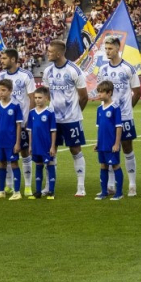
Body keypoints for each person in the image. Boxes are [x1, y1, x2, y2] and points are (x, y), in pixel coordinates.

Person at [42, 39, 89, 196]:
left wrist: (75, 112)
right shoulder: (48, 71)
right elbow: (46, 94)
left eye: (50, 51)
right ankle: (49, 186)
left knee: (75, 149)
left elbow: (84, 96)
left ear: (58, 53)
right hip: (53, 119)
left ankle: (81, 187)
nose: (47, 54)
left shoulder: (74, 70)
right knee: (51, 150)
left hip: (71, 119)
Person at [96, 36, 141, 197]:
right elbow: (101, 90)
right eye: (106, 49)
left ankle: (132, 185)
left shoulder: (128, 68)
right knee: (108, 149)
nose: (107, 51)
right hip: (107, 118)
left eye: (110, 48)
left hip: (125, 116)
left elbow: (137, 92)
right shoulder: (103, 70)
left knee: (127, 148)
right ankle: (110, 186)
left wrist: (127, 109)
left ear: (117, 48)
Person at [0, 48, 36, 196]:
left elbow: (32, 98)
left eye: (4, 58)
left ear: (13, 59)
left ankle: (27, 186)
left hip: (22, 122)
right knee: (6, 154)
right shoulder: (0, 75)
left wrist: (28, 120)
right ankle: (8, 185)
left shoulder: (26, 75)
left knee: (24, 152)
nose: (1, 61)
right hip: (6, 124)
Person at [0, 79, 23, 201]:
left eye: (3, 90)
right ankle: (1, 191)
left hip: (11, 141)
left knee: (14, 163)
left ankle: (17, 192)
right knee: (1, 163)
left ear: (10, 91)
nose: (1, 93)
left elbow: (18, 125)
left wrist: (17, 142)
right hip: (0, 141)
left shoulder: (15, 106)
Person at [94, 80, 124, 201]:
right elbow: (99, 127)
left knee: (115, 165)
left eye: (102, 92)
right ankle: (104, 191)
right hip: (102, 143)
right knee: (103, 165)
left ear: (109, 93)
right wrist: (97, 143)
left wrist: (117, 143)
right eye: (99, 92)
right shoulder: (99, 109)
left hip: (112, 144)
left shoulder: (115, 108)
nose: (99, 94)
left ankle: (119, 193)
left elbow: (119, 127)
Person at [26, 87, 56, 200]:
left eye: (40, 97)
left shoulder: (50, 112)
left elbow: (53, 131)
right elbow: (30, 131)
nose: (37, 100)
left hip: (46, 145)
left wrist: (52, 146)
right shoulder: (32, 113)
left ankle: (51, 192)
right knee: (38, 166)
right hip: (36, 145)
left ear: (46, 98)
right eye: (35, 98)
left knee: (50, 166)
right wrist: (30, 146)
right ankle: (38, 192)